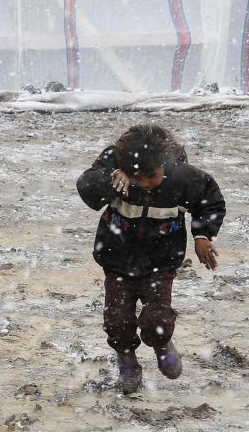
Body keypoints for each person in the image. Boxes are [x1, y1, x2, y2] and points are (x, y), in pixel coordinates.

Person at [76, 124, 225, 394]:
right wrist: (112, 178)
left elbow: (210, 200)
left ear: (163, 166)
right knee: (116, 320)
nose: (145, 184)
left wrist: (202, 236)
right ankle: (127, 362)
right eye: (138, 178)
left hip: (161, 261)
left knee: (157, 321)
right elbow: (86, 188)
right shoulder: (116, 173)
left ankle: (162, 343)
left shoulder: (182, 178)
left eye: (152, 177)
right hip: (117, 258)